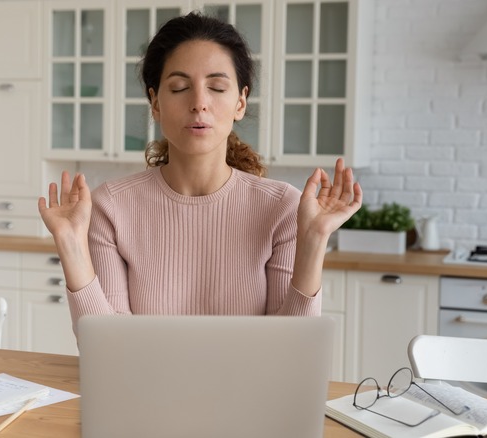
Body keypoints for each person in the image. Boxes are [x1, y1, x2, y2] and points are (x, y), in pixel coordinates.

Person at [38, 12, 362, 336]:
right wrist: (70, 243)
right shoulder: (111, 207)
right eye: (179, 88)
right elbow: (106, 347)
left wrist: (315, 239)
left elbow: (292, 351)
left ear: (240, 102)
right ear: (155, 103)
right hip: (147, 387)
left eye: (217, 87)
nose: (199, 103)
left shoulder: (282, 208)